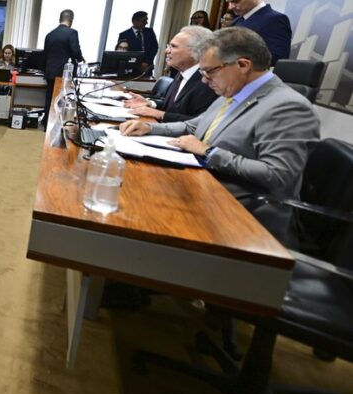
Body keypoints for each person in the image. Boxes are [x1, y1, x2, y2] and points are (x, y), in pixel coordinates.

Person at [120, 26, 319, 248]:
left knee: (136, 210)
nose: (204, 80)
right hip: (207, 190)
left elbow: (277, 174)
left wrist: (208, 152)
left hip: (243, 217)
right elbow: (194, 126)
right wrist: (149, 128)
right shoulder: (234, 93)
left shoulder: (288, 106)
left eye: (210, 72)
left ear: (243, 65)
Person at [123, 25, 218, 122]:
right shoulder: (181, 73)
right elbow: (174, 106)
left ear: (196, 51)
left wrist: (160, 114)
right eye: (168, 46)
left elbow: (199, 123)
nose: (166, 51)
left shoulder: (207, 82)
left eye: (173, 47)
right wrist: (150, 103)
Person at [223, 0, 292, 66]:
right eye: (229, 2)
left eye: (236, 1)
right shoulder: (237, 20)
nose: (230, 7)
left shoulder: (275, 19)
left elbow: (277, 58)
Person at [42, 9, 83, 122]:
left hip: (50, 72)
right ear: (71, 20)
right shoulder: (72, 33)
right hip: (65, 73)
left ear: (59, 19)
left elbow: (45, 54)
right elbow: (75, 52)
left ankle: (46, 122)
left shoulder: (49, 34)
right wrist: (80, 58)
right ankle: (58, 123)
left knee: (50, 98)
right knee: (63, 99)